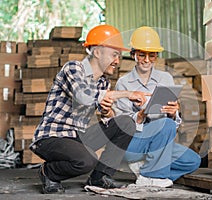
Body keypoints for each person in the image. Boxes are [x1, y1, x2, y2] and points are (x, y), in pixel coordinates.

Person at [29, 24, 150, 194]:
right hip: (52, 137)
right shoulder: (73, 68)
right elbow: (83, 97)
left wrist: (108, 113)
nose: (117, 61)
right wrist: (126, 94)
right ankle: (48, 172)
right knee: (86, 160)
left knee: (125, 123)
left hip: (77, 136)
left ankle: (100, 177)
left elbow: (106, 115)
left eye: (119, 56)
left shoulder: (103, 82)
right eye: (114, 54)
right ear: (98, 52)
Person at [114, 26, 201, 188]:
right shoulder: (124, 83)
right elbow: (119, 123)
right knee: (165, 124)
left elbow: (172, 124)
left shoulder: (165, 79)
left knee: (193, 161)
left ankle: (146, 172)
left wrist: (174, 114)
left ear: (156, 56)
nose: (146, 60)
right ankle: (151, 174)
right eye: (141, 55)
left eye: (151, 55)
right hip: (134, 143)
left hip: (160, 142)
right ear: (133, 54)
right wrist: (139, 116)